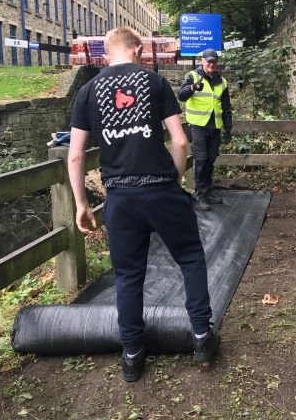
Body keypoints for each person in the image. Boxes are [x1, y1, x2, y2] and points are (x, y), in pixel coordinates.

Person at [67, 27, 220, 383]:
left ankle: (133, 355)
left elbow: (75, 157)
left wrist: (80, 204)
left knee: (128, 275)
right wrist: (176, 179)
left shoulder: (87, 92)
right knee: (191, 259)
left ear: (107, 55)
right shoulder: (154, 82)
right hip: (161, 190)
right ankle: (201, 337)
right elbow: (180, 142)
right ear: (137, 50)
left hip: (120, 198)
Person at [177, 48, 232, 211]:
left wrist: (228, 128)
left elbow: (226, 107)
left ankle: (207, 192)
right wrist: (193, 87)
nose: (211, 64)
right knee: (200, 161)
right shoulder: (193, 76)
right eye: (208, 61)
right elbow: (181, 95)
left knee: (210, 160)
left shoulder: (222, 82)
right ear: (202, 61)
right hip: (197, 126)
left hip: (214, 126)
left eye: (213, 61)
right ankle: (199, 195)